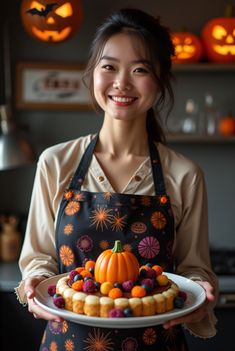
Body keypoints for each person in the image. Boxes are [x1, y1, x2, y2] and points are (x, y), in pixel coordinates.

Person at [15, 8, 218, 350]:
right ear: (93, 73)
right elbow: (38, 258)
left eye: (139, 70)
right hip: (68, 343)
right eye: (109, 67)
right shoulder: (55, 163)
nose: (122, 83)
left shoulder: (184, 175)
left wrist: (201, 290)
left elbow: (195, 270)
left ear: (160, 81)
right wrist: (35, 280)